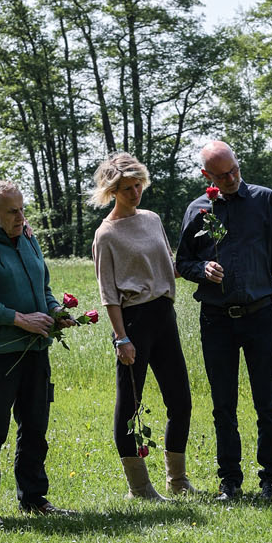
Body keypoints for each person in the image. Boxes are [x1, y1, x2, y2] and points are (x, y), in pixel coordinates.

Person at [175, 140, 272, 501]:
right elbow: (182, 262)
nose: (230, 179)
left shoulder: (264, 199)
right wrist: (201, 268)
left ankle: (271, 479)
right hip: (217, 320)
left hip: (261, 314)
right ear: (206, 176)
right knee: (223, 404)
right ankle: (229, 481)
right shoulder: (198, 210)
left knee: (266, 401)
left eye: (234, 171)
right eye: (221, 175)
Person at [0, 180, 74, 525]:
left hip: (36, 348)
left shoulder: (27, 237)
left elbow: (43, 287)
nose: (21, 217)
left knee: (35, 427)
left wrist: (55, 311)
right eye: (12, 212)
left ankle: (34, 498)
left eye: (23, 209)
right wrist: (19, 319)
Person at [90, 152, 195, 501]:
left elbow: (169, 265)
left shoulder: (152, 219)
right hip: (133, 322)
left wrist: (203, 258)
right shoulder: (106, 234)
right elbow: (108, 293)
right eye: (126, 188)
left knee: (180, 401)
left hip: (164, 315)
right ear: (112, 191)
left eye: (138, 185)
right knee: (129, 406)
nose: (135, 193)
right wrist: (122, 338)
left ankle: (177, 480)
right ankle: (139, 487)